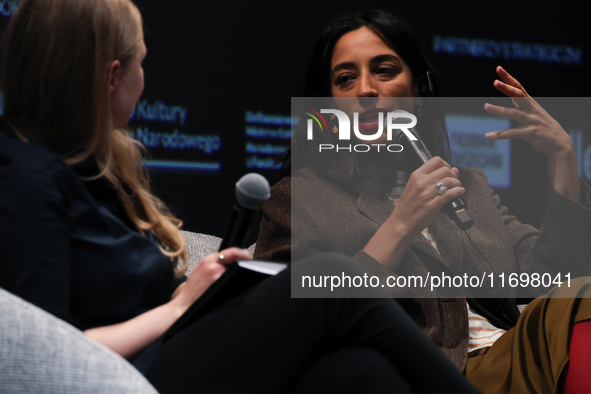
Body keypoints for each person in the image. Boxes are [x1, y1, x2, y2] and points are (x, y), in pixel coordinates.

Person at [0, 1, 481, 393]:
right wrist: (177, 307)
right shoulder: (25, 181)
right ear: (111, 77)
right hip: (131, 373)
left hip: (173, 347)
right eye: (142, 63)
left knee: (355, 372)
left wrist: (206, 289)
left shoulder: (91, 176)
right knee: (328, 277)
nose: (144, 80)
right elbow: (39, 351)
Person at [254, 10, 591, 394]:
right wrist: (400, 225)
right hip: (429, 374)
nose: (365, 89)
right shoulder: (301, 197)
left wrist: (563, 159)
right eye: (345, 79)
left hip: (519, 355)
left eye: (383, 70)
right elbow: (292, 329)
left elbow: (552, 281)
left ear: (418, 93)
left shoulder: (469, 186)